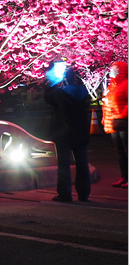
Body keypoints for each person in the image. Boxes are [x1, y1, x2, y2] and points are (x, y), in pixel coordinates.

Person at [43, 63, 91, 202]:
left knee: (63, 165)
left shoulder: (59, 93)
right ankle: (84, 193)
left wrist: (53, 81)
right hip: (81, 133)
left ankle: (65, 193)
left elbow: (47, 97)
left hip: (63, 134)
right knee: (82, 162)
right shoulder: (84, 92)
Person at [102, 61, 128, 188]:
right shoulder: (111, 86)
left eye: (115, 68)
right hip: (114, 123)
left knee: (127, 150)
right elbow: (106, 104)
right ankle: (124, 176)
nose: (112, 70)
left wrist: (122, 115)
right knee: (120, 151)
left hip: (124, 122)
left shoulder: (126, 84)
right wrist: (105, 118)